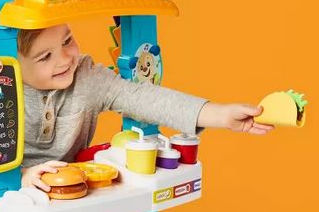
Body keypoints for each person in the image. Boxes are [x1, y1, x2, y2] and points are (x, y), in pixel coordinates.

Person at [18, 24, 274, 192]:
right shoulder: (1, 89)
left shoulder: (86, 77)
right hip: (7, 194)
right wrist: (22, 176)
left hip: (71, 195)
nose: (65, 59)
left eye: (67, 41)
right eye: (45, 57)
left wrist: (221, 115)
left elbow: (144, 98)